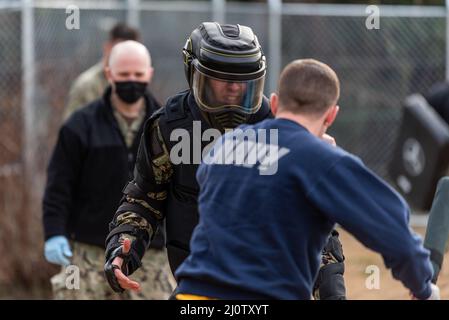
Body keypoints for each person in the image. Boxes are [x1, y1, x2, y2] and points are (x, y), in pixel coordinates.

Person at [103, 22, 346, 300]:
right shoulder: (170, 126)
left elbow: (311, 217)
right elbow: (146, 196)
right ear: (193, 74)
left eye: (243, 81)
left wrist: (330, 286)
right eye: (221, 79)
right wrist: (123, 247)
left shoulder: (280, 129)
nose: (233, 89)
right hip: (201, 280)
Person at [173, 59, 440, 300]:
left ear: (275, 104)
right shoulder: (321, 160)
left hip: (191, 298)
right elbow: (394, 231)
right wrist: (424, 288)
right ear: (332, 115)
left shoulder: (226, 145)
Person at [42, 40, 174, 299]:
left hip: (150, 254)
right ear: (109, 74)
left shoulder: (166, 127)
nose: (132, 80)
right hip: (89, 252)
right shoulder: (80, 126)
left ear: (150, 74)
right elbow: (59, 185)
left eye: (138, 74)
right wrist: (53, 232)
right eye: (124, 75)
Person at [63, 23, 140, 121]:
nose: (124, 57)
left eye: (130, 52)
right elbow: (71, 128)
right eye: (119, 51)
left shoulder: (137, 84)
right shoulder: (86, 84)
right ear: (107, 47)